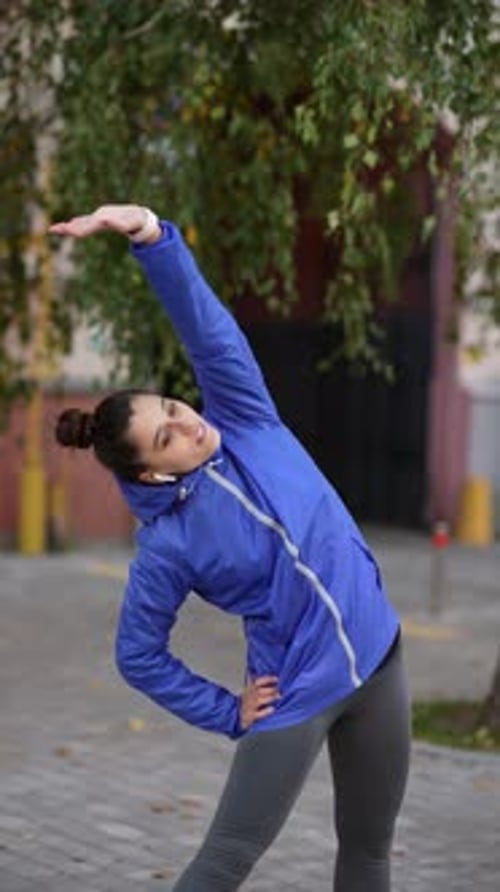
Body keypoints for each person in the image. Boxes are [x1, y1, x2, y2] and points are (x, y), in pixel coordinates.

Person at [51, 203, 411, 892]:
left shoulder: (243, 417)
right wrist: (226, 710)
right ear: (153, 472)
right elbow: (137, 654)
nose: (188, 425)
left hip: (380, 656)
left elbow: (206, 330)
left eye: (176, 409)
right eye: (167, 437)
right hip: (297, 694)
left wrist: (150, 234)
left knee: (369, 852)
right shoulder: (168, 545)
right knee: (225, 863)